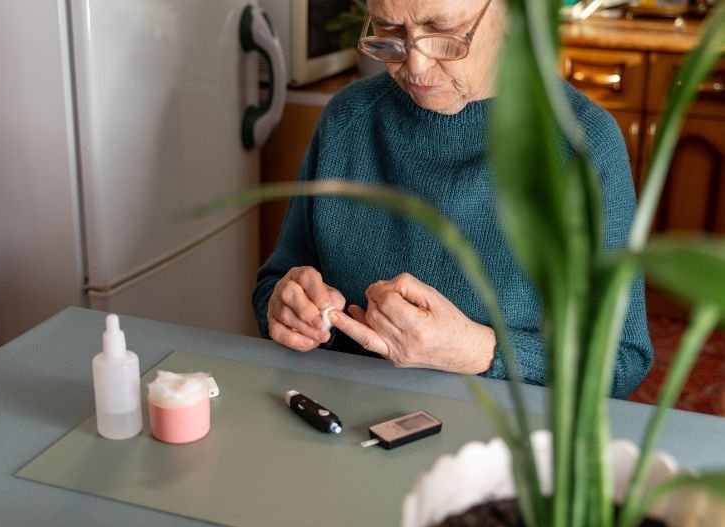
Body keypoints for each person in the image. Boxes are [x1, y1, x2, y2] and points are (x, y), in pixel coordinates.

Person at [252, 0, 653, 399]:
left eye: (443, 32)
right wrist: (284, 307)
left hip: (500, 449)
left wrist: (478, 351)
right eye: (391, 32)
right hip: (341, 427)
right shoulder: (347, 120)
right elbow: (275, 284)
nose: (416, 66)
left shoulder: (581, 144)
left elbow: (622, 361)